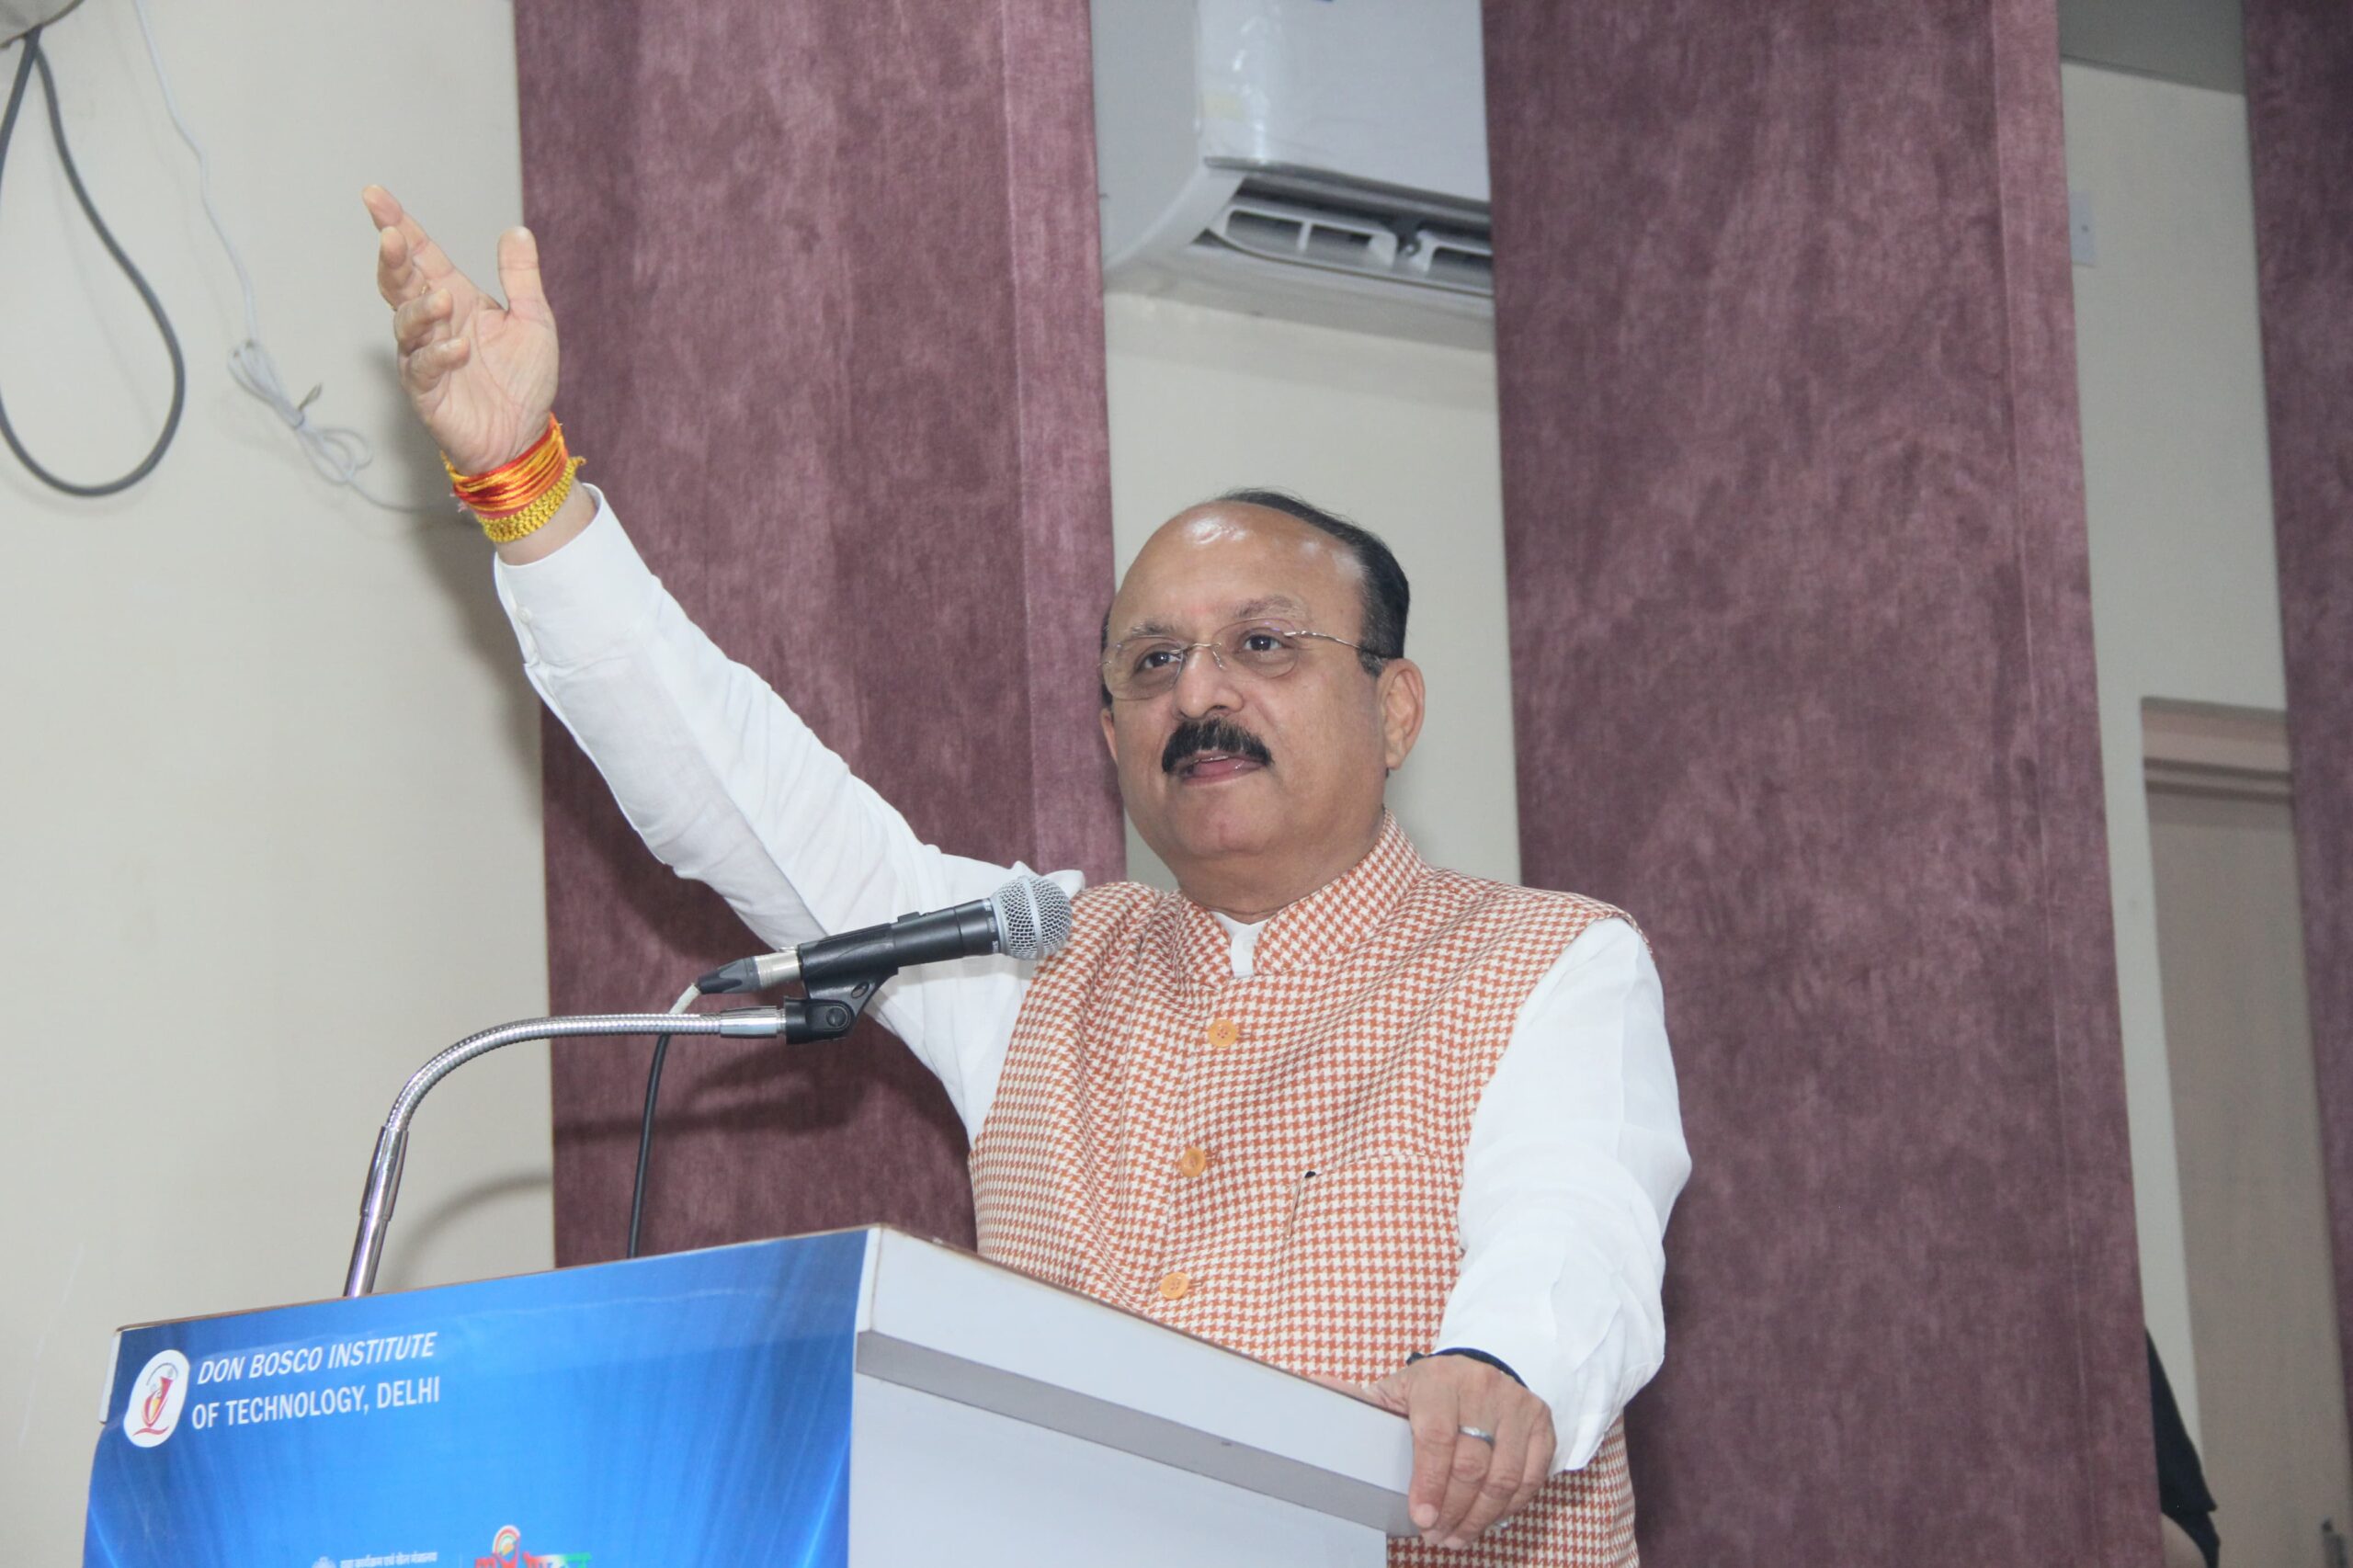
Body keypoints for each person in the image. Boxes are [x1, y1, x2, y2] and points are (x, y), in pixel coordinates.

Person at [364, 185, 1688, 1564]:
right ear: (1113, 737)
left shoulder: (1551, 964)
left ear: (1396, 708)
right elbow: (744, 792)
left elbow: (1575, 1225)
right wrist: (522, 485)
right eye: (1153, 663)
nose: (1201, 694)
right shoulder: (1029, 958)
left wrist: (1502, 1364)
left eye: (1264, 645)